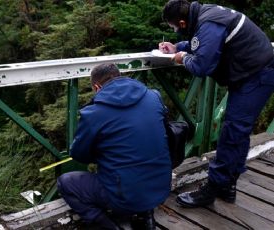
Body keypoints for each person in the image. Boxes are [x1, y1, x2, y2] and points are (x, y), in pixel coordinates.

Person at [159, 0, 274, 208]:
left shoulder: (209, 23)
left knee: (233, 132)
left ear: (183, 23)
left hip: (256, 76)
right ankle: (228, 184)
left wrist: (181, 57)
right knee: (238, 132)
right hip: (252, 73)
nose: (175, 31)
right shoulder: (206, 14)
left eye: (174, 27)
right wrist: (177, 47)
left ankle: (212, 189)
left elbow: (201, 65)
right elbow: (205, 43)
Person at [57, 63, 172, 229]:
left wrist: (104, 150)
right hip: (161, 187)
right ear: (119, 76)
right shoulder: (154, 96)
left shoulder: (93, 113)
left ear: (97, 87)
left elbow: (79, 155)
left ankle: (107, 225)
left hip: (123, 197)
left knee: (66, 182)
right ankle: (146, 216)